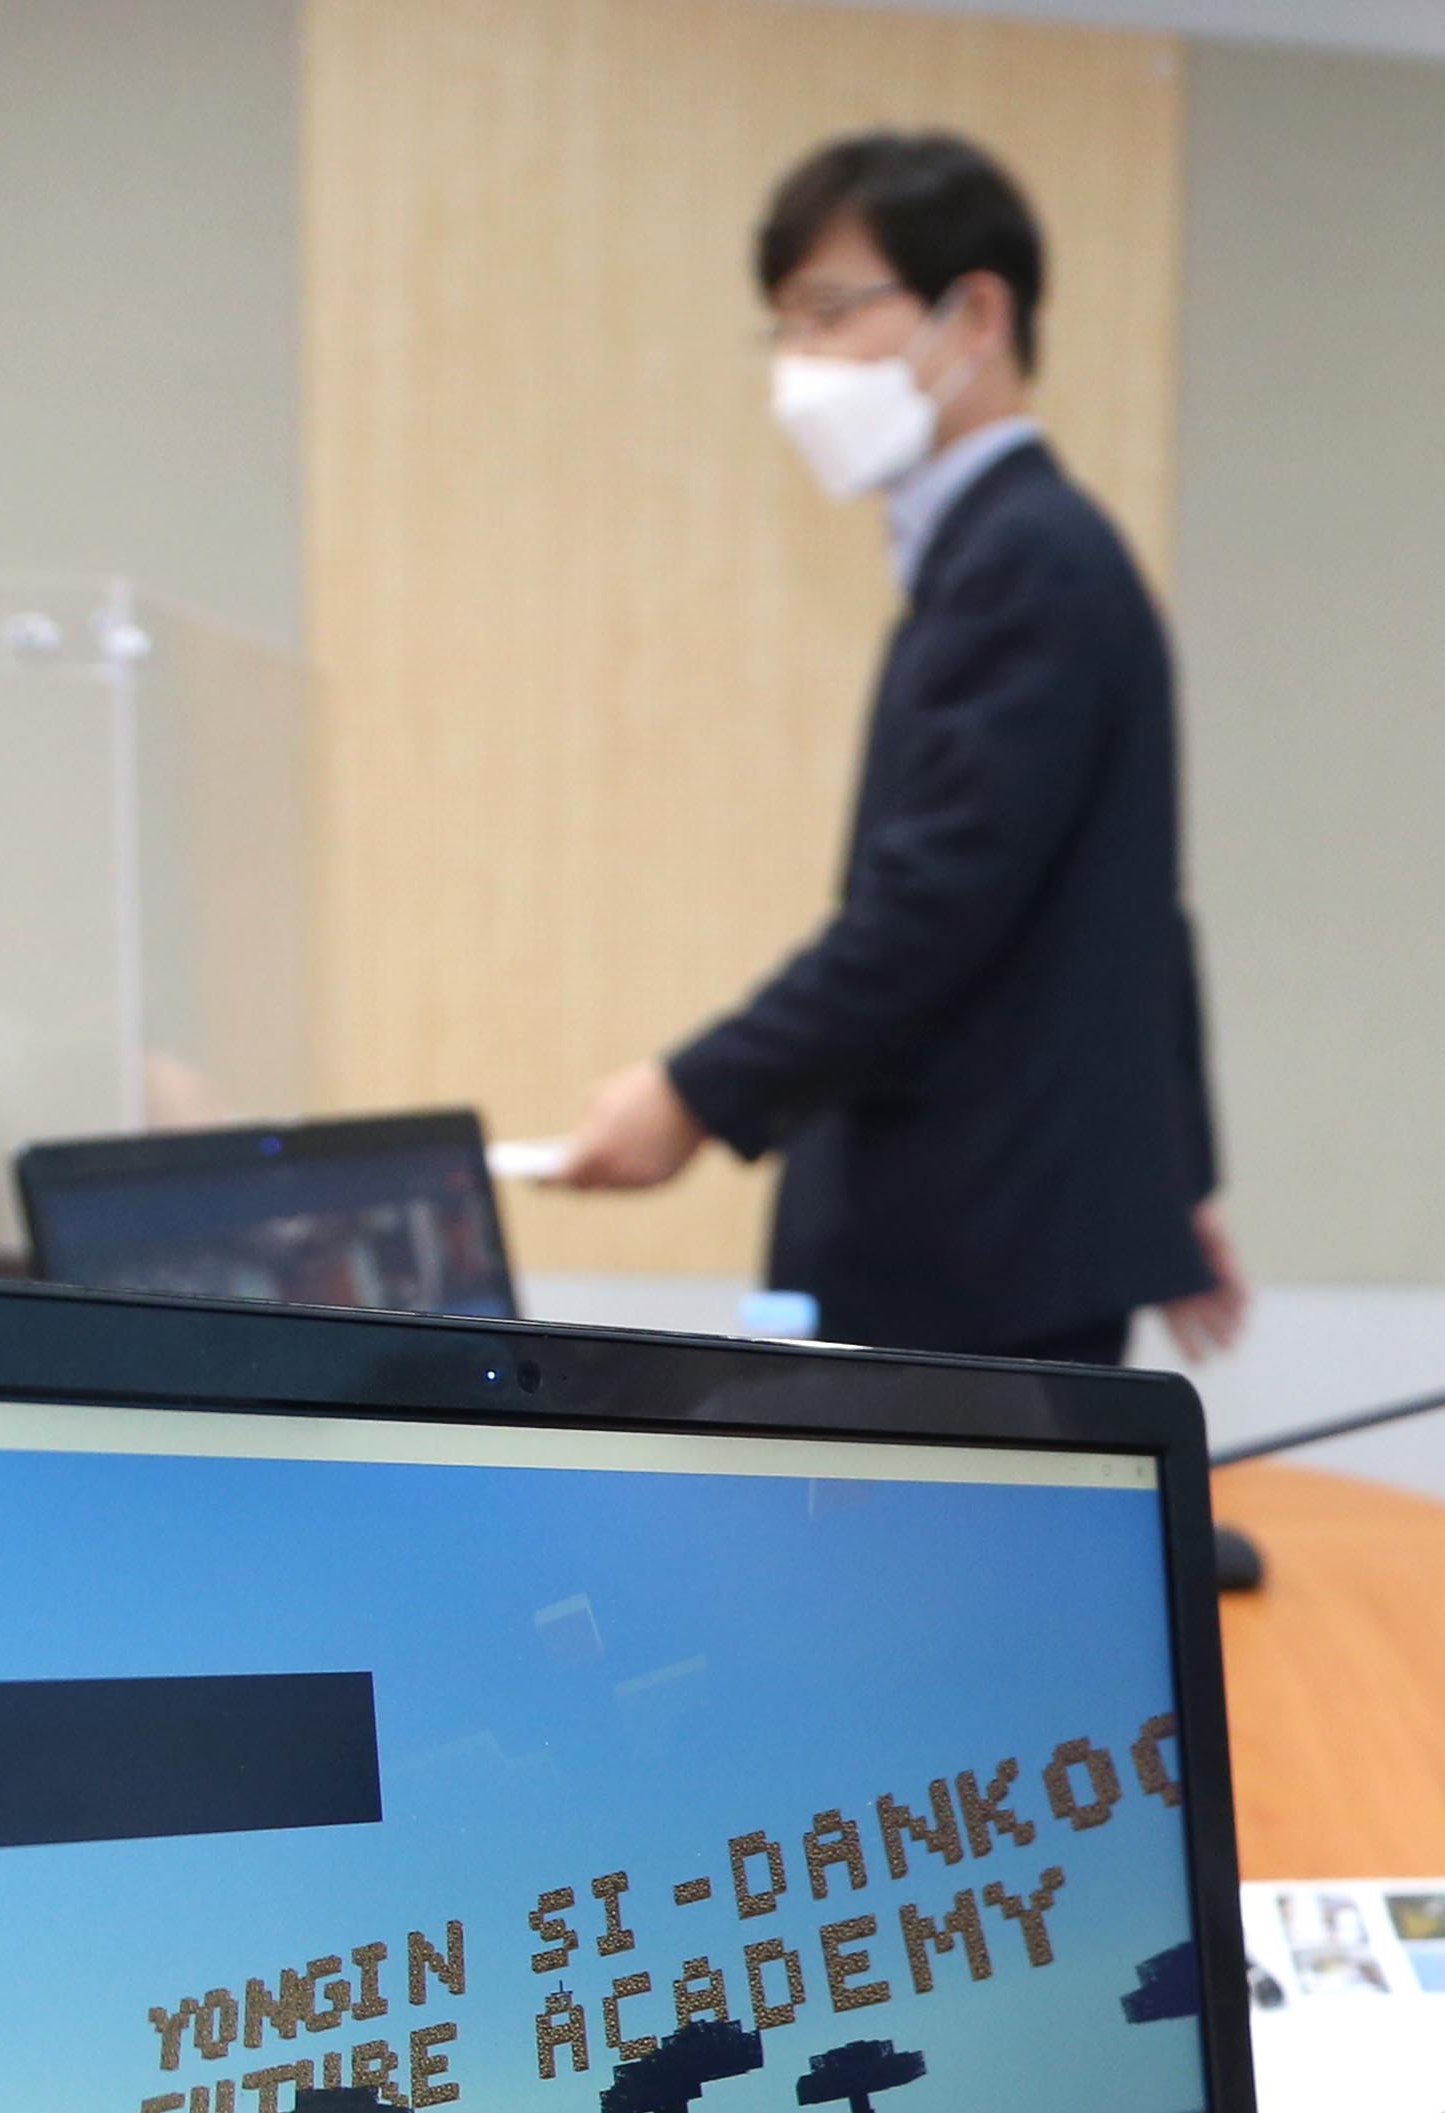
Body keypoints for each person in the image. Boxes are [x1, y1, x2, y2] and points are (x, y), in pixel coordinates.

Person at [554, 130, 1241, 1366]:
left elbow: (933, 910)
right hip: (1005, 1225)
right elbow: (1135, 904)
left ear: (975, 314)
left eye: (829, 313)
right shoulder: (1007, 550)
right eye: (783, 327)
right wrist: (1168, 1180)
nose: (798, 366)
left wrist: (692, 1093)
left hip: (977, 1244)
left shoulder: (1027, 560)